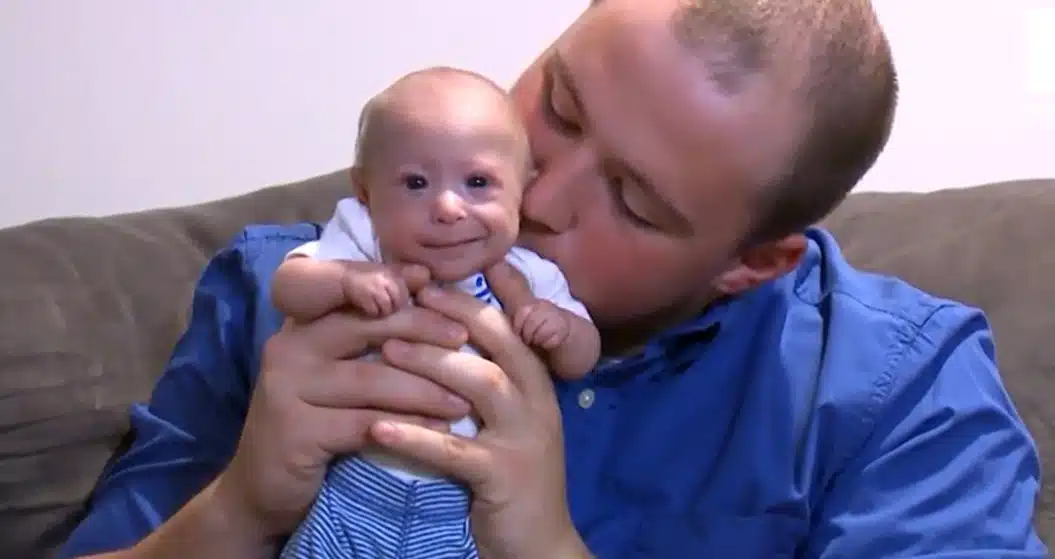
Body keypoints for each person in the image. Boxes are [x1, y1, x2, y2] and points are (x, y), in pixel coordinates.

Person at [60, 0, 1048, 557]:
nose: (538, 192)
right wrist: (235, 511)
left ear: (752, 264)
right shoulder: (286, 285)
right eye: (561, 106)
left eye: (633, 199)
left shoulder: (902, 393)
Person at [272, 66, 599, 559]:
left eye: (478, 181)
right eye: (416, 182)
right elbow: (289, 286)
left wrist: (559, 329)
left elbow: (583, 356)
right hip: (351, 492)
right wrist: (344, 281)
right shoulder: (365, 244)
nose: (448, 206)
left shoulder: (525, 278)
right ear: (365, 192)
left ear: (521, 191)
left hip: (461, 509)